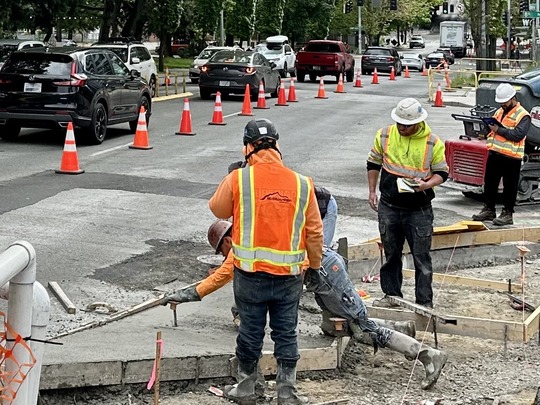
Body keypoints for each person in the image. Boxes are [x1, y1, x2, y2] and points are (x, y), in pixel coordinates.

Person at [162, 222, 448, 391]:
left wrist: (183, 295)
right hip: (319, 275)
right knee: (334, 326)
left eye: (220, 249)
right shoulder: (253, 232)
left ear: (226, 239)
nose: (223, 255)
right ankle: (400, 329)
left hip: (326, 273)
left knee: (362, 328)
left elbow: (219, 278)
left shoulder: (239, 246)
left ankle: (426, 354)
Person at [208, 118, 324, 405]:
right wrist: (315, 266)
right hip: (289, 277)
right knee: (286, 333)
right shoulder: (302, 183)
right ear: (277, 145)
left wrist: (235, 179)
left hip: (250, 275)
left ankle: (246, 389)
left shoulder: (239, 179)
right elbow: (315, 232)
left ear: (247, 147)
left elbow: (217, 208)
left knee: (250, 332)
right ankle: (287, 394)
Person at [366, 98, 448, 309]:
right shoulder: (384, 135)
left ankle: (424, 303)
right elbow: (373, 163)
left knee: (421, 258)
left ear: (418, 123)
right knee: (391, 254)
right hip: (389, 205)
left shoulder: (432, 142)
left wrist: (426, 185)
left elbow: (442, 173)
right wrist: (371, 191)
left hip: (418, 209)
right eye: (399, 123)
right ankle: (392, 296)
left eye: (406, 125)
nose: (401, 128)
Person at [472, 83, 530, 226]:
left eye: (504, 102)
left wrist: (498, 130)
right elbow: (493, 129)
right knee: (490, 183)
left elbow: (517, 135)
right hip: (495, 154)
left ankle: (508, 213)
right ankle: (489, 209)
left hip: (511, 158)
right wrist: (487, 129)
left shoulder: (523, 115)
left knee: (509, 188)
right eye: (501, 102)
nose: (502, 104)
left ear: (513, 98)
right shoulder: (499, 111)